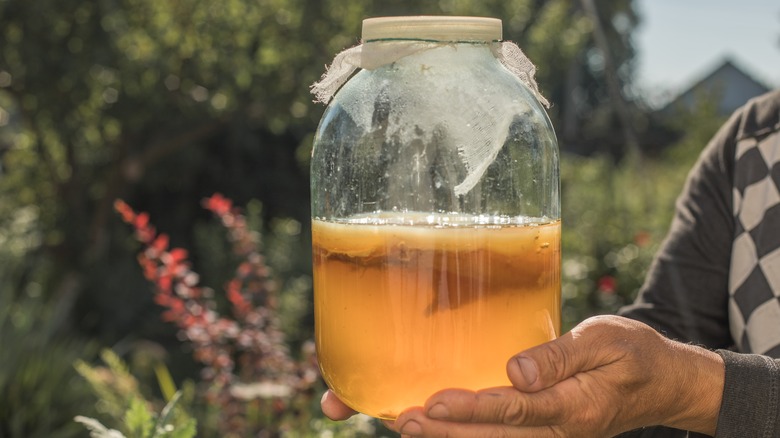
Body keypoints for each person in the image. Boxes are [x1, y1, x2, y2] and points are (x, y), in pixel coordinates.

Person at [321, 88, 780, 437]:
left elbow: (678, 377)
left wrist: (695, 389)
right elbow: (673, 334)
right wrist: (578, 392)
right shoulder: (751, 145)